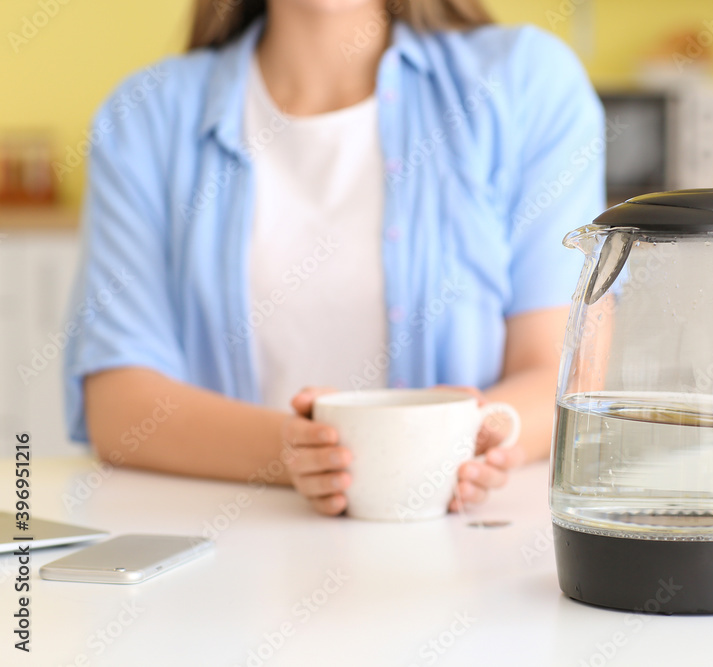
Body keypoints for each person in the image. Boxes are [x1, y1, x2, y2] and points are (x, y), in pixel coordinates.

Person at [63, 0, 605, 515]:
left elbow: (566, 375)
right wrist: (293, 451)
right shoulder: (144, 116)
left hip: (472, 564)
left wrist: (467, 434)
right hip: (229, 566)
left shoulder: (527, 82)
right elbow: (121, 405)